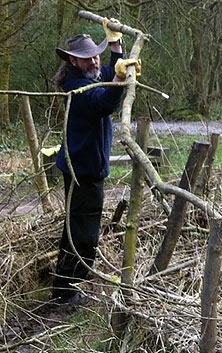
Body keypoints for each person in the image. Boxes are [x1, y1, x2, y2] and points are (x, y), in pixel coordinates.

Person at [51, 20, 141, 306]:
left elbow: (107, 73)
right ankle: (66, 292)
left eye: (96, 54)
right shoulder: (77, 88)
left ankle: (65, 286)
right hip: (82, 171)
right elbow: (104, 101)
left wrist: (116, 48)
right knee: (84, 235)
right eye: (87, 57)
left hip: (85, 167)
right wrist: (117, 81)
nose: (94, 60)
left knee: (75, 228)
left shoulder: (89, 74)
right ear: (73, 61)